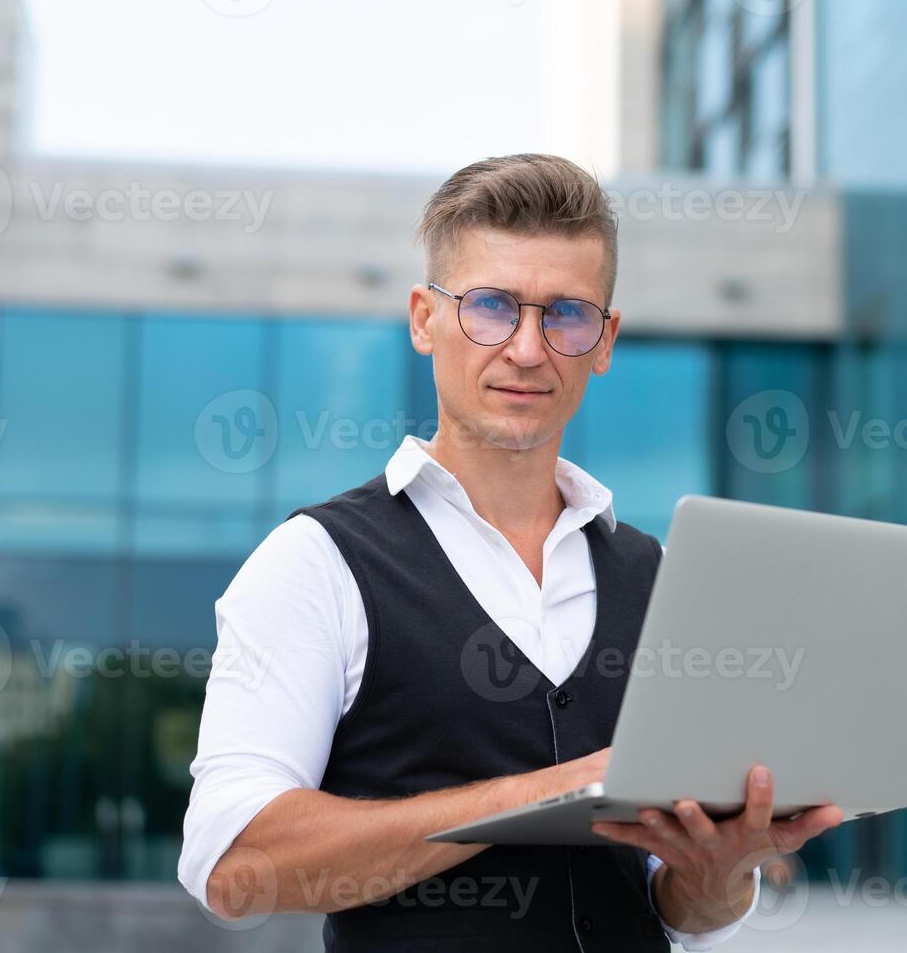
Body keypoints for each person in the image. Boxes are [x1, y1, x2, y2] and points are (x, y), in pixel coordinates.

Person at [178, 153, 842, 951]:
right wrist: (552, 791)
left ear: (604, 340)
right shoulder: (317, 563)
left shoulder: (660, 575)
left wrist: (721, 870)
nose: (528, 349)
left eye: (565, 314)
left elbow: (680, 911)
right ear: (425, 319)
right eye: (491, 307)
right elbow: (233, 864)